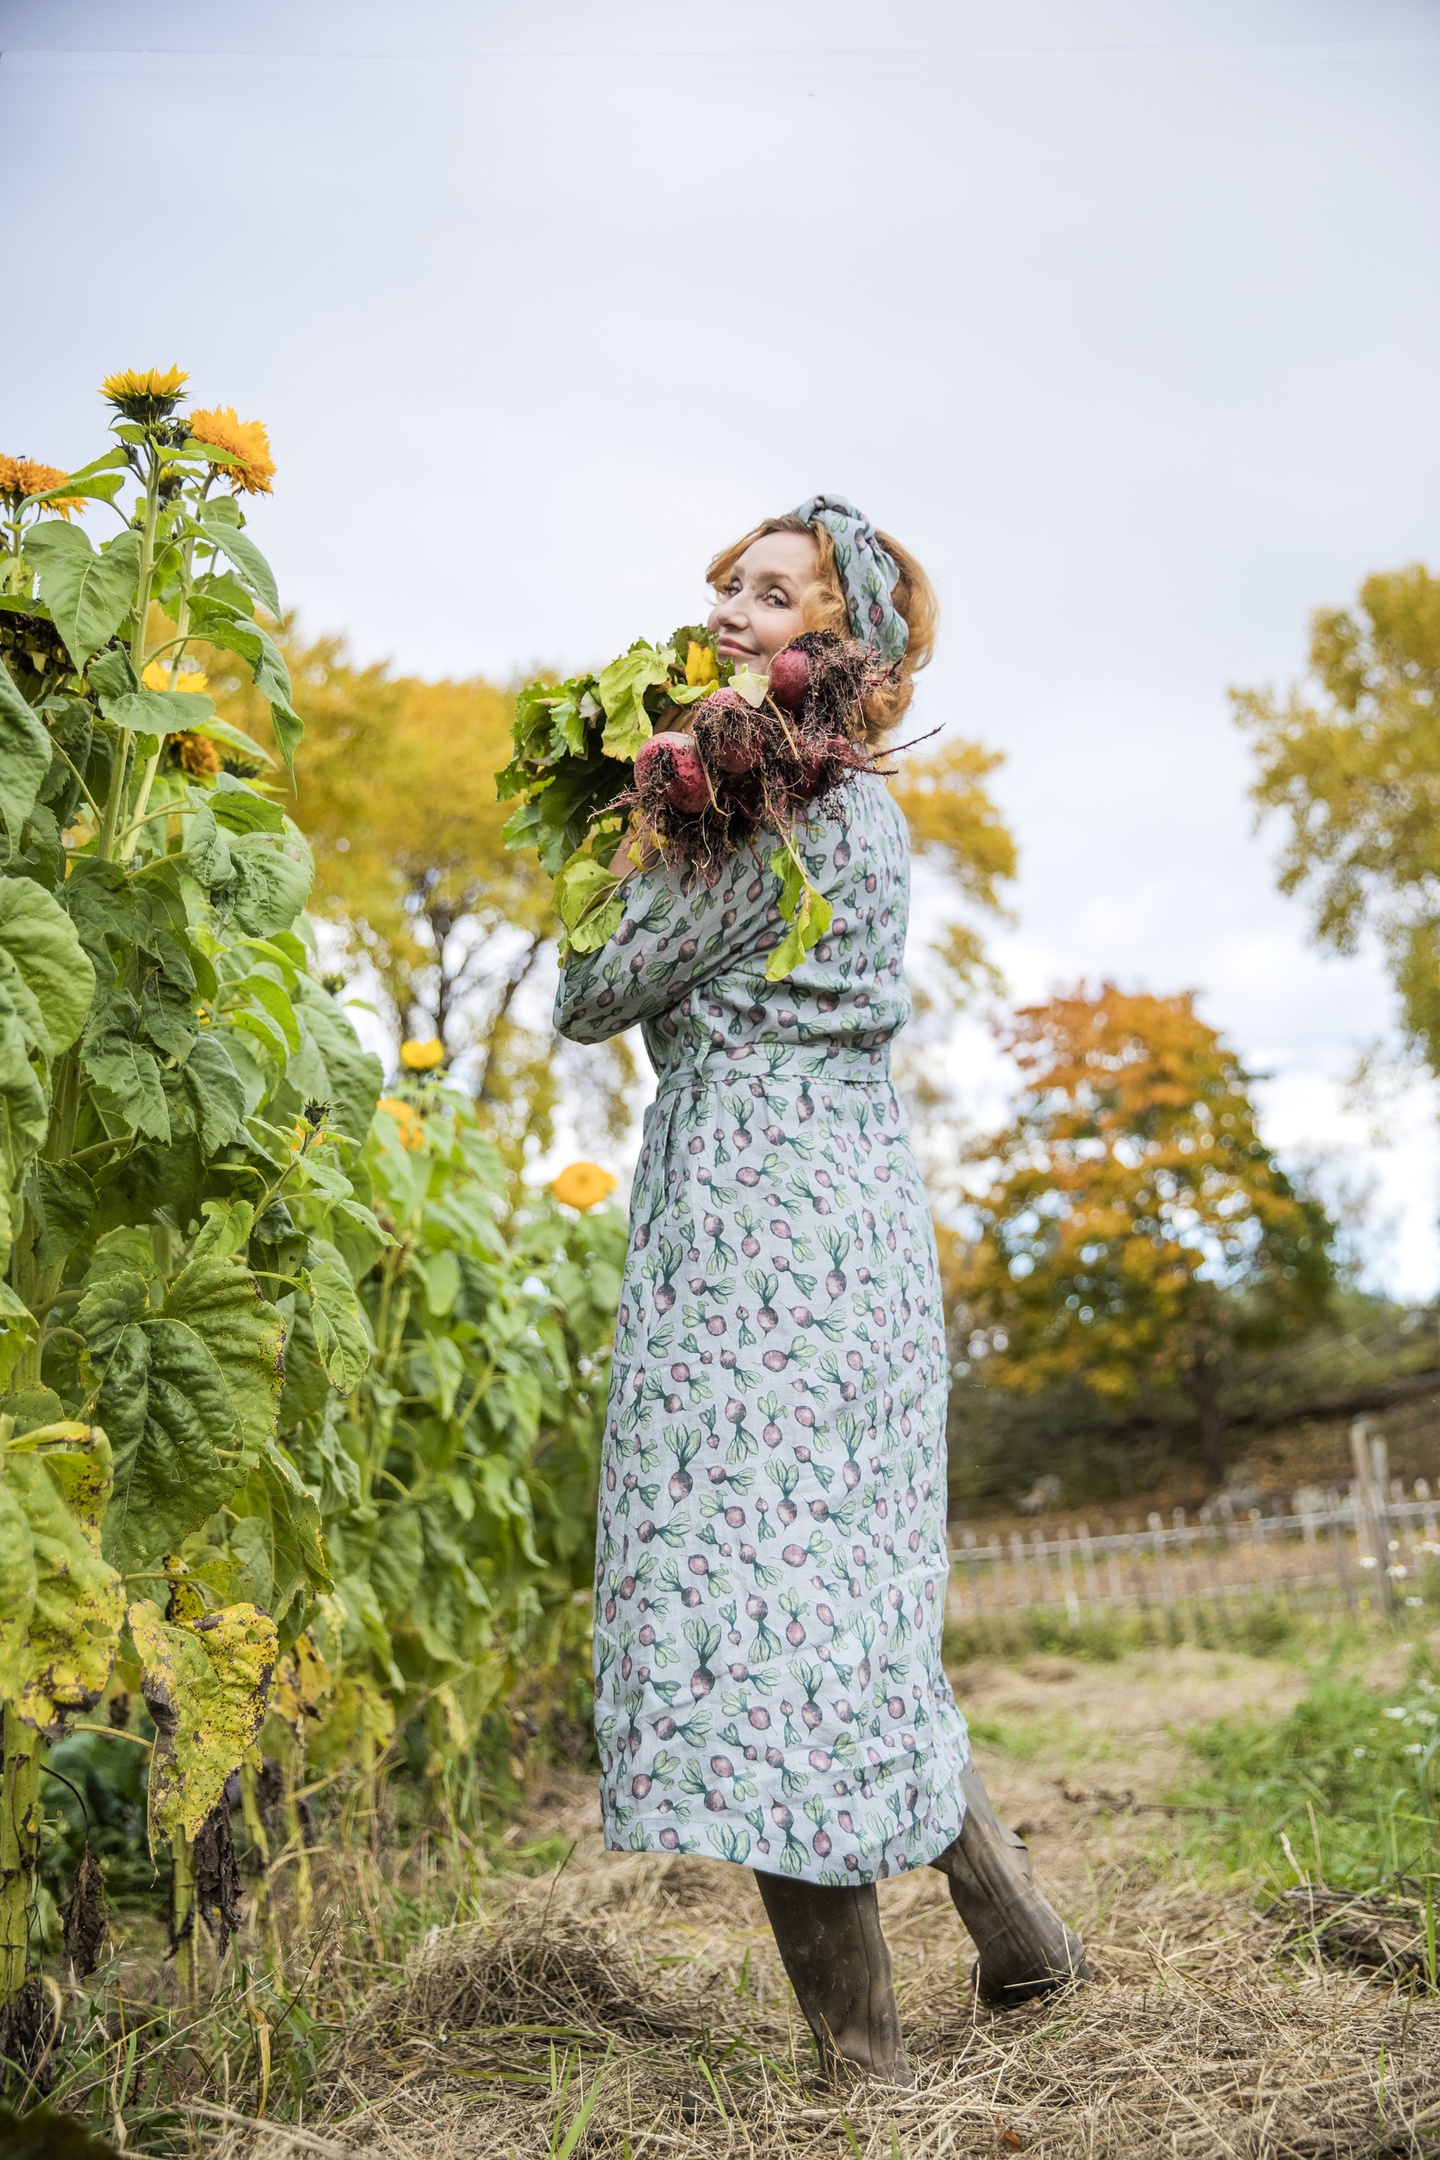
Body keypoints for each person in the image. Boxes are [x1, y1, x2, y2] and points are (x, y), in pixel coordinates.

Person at [554, 497, 1088, 2085]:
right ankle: (1023, 1939)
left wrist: (634, 814)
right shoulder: (853, 804)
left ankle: (867, 2070)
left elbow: (591, 988)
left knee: (757, 1621)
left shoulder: (763, 815)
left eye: (770, 593)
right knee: (836, 1609)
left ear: (834, 644)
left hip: (753, 1230)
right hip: (850, 1226)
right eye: (725, 584)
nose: (729, 608)